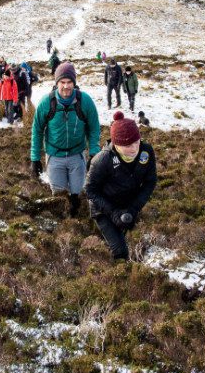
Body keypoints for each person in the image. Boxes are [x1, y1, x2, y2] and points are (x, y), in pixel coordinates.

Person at [29, 62, 101, 217]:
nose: (66, 86)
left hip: (77, 155)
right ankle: (63, 225)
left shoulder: (85, 101)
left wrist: (94, 151)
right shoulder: (46, 103)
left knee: (78, 195)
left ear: (74, 83)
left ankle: (76, 222)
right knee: (59, 197)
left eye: (69, 82)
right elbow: (37, 130)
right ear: (57, 83)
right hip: (55, 156)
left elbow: (94, 127)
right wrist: (35, 158)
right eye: (62, 82)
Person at [84, 111, 157, 260]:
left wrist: (133, 208)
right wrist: (112, 212)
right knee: (120, 252)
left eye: (137, 142)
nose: (134, 148)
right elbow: (90, 189)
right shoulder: (102, 160)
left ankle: (109, 244)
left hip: (128, 205)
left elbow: (150, 182)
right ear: (117, 144)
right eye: (128, 145)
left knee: (121, 234)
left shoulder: (146, 152)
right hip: (103, 208)